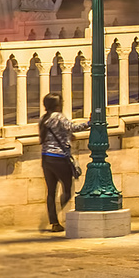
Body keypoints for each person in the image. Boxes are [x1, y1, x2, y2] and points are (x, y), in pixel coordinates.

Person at [39, 93, 91, 233]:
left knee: (51, 191)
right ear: (57, 105)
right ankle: (59, 210)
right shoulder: (59, 117)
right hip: (59, 158)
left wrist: (67, 137)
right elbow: (73, 127)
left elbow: (53, 135)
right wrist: (89, 123)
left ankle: (54, 222)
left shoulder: (43, 119)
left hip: (46, 158)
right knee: (67, 190)